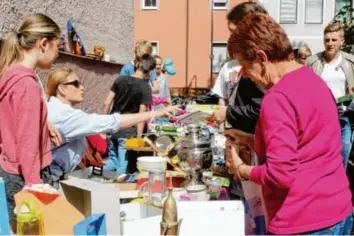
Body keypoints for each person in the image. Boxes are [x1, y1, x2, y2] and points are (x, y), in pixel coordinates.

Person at [227, 13, 352, 235]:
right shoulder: (314, 80)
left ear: (262, 58)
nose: (244, 74)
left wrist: (241, 169)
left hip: (302, 218)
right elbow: (309, 141)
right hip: (337, 210)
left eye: (245, 65)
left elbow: (279, 175)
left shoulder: (278, 98)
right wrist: (251, 139)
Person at [46, 67, 177, 182]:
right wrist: (155, 114)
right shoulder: (64, 115)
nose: (82, 87)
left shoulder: (54, 108)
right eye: (76, 84)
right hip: (50, 178)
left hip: (58, 174)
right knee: (121, 167)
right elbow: (113, 121)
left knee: (114, 165)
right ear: (61, 88)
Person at [0, 13, 60, 224]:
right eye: (56, 47)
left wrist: (44, 123)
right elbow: (27, 141)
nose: (57, 54)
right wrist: (34, 183)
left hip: (11, 170)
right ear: (43, 44)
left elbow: (13, 121)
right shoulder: (27, 85)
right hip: (26, 177)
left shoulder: (10, 76)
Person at [212, 1, 268, 200]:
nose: (232, 39)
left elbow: (262, 110)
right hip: (244, 144)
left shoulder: (261, 67)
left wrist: (228, 113)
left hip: (255, 154)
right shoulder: (238, 66)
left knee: (252, 202)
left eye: (235, 32)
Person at [306, 23, 354, 170]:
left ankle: (339, 192)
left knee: (341, 163)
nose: (330, 43)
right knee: (319, 163)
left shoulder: (351, 61)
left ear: (342, 41)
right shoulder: (312, 62)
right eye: (327, 40)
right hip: (319, 120)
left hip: (343, 119)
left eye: (334, 40)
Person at [103, 54, 158, 173]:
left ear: (137, 64)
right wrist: (139, 138)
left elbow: (107, 103)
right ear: (150, 72)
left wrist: (104, 126)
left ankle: (91, 171)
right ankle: (118, 188)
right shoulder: (145, 88)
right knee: (122, 168)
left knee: (113, 162)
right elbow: (141, 116)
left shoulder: (119, 79)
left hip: (112, 128)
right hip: (128, 133)